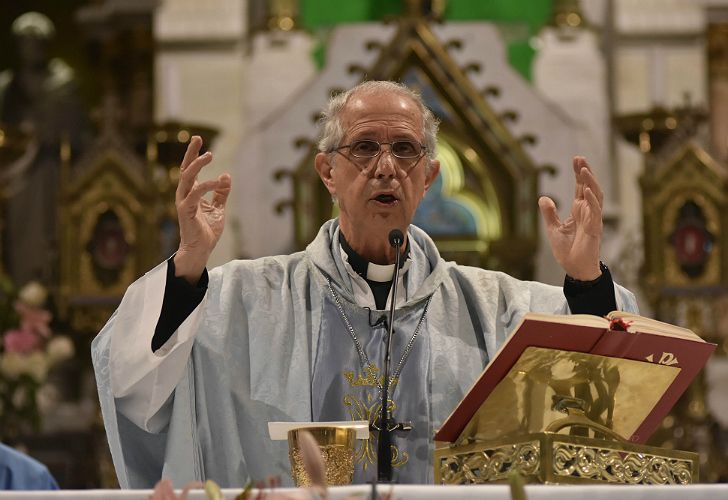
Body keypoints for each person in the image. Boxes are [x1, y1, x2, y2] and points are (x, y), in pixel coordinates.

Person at [92, 81, 637, 488]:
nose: (385, 167)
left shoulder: (497, 308)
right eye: (364, 148)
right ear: (327, 172)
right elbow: (133, 374)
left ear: (429, 176)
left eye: (405, 150)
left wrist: (586, 280)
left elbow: (603, 397)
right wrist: (187, 264)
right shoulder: (240, 300)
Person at [0, 12, 88, 285]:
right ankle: (21, 290)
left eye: (36, 40)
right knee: (19, 235)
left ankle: (52, 288)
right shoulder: (5, 86)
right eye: (25, 41)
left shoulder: (63, 84)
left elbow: (78, 133)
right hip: (15, 177)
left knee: (54, 233)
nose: (31, 46)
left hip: (52, 173)